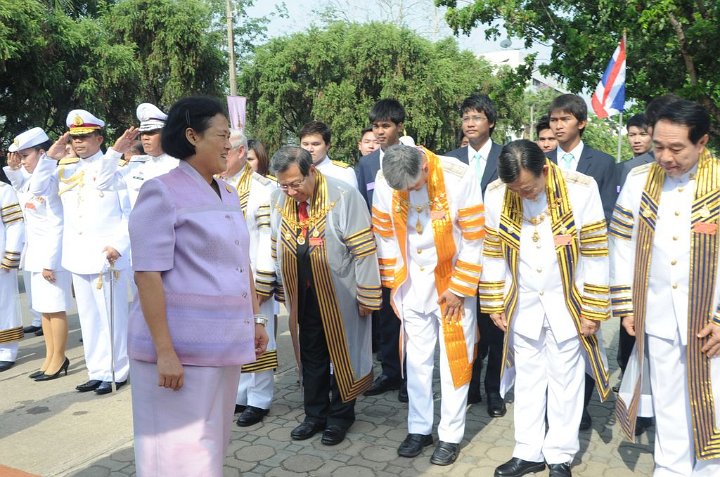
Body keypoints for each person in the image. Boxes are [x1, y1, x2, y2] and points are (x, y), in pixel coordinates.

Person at [127, 96, 268, 476]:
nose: (230, 145)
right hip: (180, 354)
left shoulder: (227, 192)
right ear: (192, 136)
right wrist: (165, 351)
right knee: (175, 456)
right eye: (222, 135)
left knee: (208, 452)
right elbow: (147, 275)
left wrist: (256, 320)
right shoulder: (161, 191)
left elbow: (242, 261)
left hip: (222, 347)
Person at [482, 140, 610, 477]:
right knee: (527, 381)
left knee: (565, 382)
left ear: (545, 170)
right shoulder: (496, 194)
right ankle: (527, 451)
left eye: (528, 187)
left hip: (568, 303)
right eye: (516, 190)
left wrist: (593, 309)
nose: (522, 195)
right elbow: (493, 251)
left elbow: (596, 252)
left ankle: (559, 455)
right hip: (523, 304)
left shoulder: (581, 190)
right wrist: (495, 300)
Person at [612, 100, 720, 476]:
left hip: (710, 318)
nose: (665, 157)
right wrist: (626, 304)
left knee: (713, 401)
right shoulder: (641, 181)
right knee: (670, 400)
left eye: (677, 149)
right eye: (659, 146)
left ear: (702, 142)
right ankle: (671, 468)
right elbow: (621, 241)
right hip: (656, 313)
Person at [372, 143, 484, 465]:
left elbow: (475, 237)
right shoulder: (385, 180)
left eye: (415, 186)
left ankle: (450, 435)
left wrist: (460, 288)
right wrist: (397, 280)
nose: (410, 193)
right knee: (416, 362)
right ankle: (419, 428)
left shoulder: (458, 176)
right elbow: (385, 234)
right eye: (403, 190)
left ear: (424, 167)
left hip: (451, 284)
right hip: (413, 285)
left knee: (453, 362)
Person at [269, 146, 380, 446]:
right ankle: (314, 415)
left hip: (340, 292)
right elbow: (275, 242)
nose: (291, 191)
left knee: (343, 352)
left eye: (296, 183)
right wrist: (279, 284)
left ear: (312, 172)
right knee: (311, 354)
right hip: (302, 294)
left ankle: (341, 416)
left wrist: (368, 294)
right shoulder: (278, 198)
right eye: (284, 185)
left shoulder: (343, 195)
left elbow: (364, 249)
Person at [32, 109, 139, 395]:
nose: (79, 143)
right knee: (90, 318)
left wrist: (119, 244)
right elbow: (37, 190)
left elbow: (130, 214)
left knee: (112, 317)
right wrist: (49, 159)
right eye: (75, 138)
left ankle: (118, 371)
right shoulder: (65, 168)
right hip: (77, 255)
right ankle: (98, 370)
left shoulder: (115, 166)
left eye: (85, 137)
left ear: (99, 138)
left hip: (108, 255)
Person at [547, 93, 617, 429]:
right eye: (554, 120)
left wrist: (575, 236)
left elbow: (605, 213)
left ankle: (582, 406)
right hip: (546, 263)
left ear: (582, 122)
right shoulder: (540, 159)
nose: (557, 126)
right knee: (551, 336)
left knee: (585, 335)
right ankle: (554, 406)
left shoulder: (602, 162)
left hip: (584, 261)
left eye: (564, 119)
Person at [444, 93, 505, 416]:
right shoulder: (448, 161)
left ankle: (494, 390)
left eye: (477, 117)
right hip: (460, 259)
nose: (470, 123)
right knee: (464, 327)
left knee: (494, 327)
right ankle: (468, 386)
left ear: (491, 122)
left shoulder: (505, 158)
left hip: (495, 256)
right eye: (466, 117)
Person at [219, 129, 278, 427]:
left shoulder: (262, 188)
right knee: (234, 337)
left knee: (259, 336)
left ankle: (260, 398)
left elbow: (268, 237)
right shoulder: (214, 183)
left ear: (241, 152)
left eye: (226, 150)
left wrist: (264, 280)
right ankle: (240, 395)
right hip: (226, 279)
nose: (221, 154)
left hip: (254, 276)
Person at [5, 128, 73, 380]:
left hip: (50, 257)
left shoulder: (51, 179)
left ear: (42, 153)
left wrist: (50, 262)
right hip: (35, 255)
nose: (21, 161)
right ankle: (50, 357)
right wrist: (13, 168)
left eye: (26, 156)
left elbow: (57, 223)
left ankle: (59, 358)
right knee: (43, 310)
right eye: (20, 156)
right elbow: (21, 185)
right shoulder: (31, 180)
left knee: (55, 309)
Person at [356, 98, 408, 402]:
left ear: (399, 127)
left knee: (409, 318)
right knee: (387, 316)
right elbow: (363, 208)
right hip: (379, 253)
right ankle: (390, 372)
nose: (379, 132)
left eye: (385, 126)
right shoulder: (366, 164)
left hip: (411, 255)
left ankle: (410, 377)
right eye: (375, 126)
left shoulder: (414, 158)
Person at [123, 103, 179, 208]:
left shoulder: (181, 165)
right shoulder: (136, 164)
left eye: (151, 132)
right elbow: (104, 184)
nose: (144, 137)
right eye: (143, 133)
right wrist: (116, 151)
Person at [0, 176, 24, 372]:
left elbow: (15, 224)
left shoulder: (3, 190)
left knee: (4, 303)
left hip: (1, 260)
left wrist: (11, 254)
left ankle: (7, 350)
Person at [299, 120, 358, 188]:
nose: (309, 149)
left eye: (315, 144)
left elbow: (351, 198)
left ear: (327, 146)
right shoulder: (293, 170)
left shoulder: (343, 172)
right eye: (305, 144)